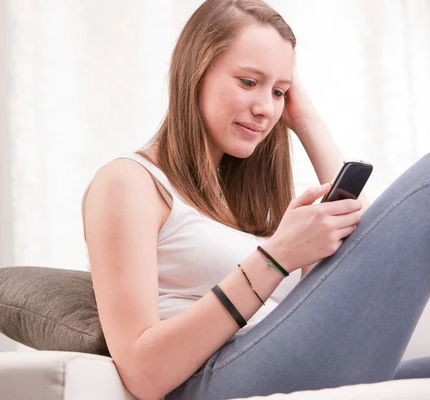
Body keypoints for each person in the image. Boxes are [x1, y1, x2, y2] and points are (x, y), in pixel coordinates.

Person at [81, 0, 430, 399]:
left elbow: (374, 265)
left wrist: (306, 120)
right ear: (194, 71)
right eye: (248, 82)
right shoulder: (128, 182)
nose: (267, 108)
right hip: (215, 378)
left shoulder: (235, 203)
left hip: (269, 361)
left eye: (280, 91)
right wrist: (276, 258)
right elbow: (142, 372)